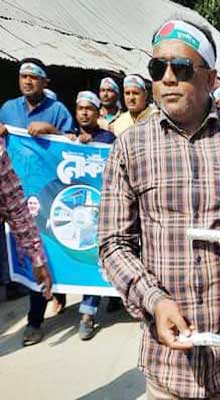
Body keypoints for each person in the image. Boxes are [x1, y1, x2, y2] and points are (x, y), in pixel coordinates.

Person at [99, 19, 220, 399]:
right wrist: (156, 300)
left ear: (210, 78)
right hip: (167, 365)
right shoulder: (130, 147)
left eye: (181, 69)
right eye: (158, 69)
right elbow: (113, 244)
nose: (167, 78)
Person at [0, 58, 73, 346]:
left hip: (45, 196)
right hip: (10, 192)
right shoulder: (7, 109)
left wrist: (52, 131)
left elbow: (74, 144)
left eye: (34, 76)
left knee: (41, 252)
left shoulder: (57, 111)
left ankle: (34, 321)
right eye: (23, 76)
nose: (28, 81)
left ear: (45, 82)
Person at [65, 91, 116, 340]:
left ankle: (90, 310)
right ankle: (88, 312)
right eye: (80, 108)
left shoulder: (109, 139)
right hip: (79, 211)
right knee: (85, 255)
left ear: (98, 113)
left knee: (100, 257)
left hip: (104, 209)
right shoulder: (67, 138)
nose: (84, 113)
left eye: (89, 109)